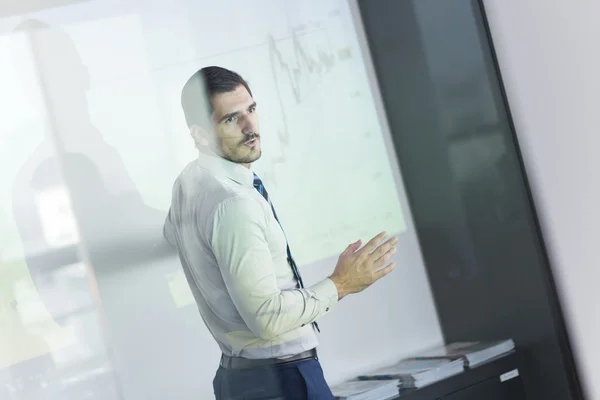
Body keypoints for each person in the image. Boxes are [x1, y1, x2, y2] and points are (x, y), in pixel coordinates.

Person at [163, 66, 398, 399]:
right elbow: (267, 319)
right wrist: (342, 283)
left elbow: (173, 235)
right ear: (200, 135)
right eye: (231, 119)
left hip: (238, 377)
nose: (250, 127)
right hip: (282, 381)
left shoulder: (189, 182)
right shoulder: (234, 204)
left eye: (252, 110)